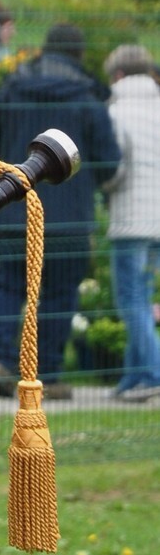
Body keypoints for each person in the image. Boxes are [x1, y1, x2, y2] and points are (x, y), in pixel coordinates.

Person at [0, 21, 120, 398]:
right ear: (79, 54)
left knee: (9, 285)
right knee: (59, 294)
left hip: (13, 210)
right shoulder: (88, 98)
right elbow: (109, 161)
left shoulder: (11, 89)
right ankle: (46, 376)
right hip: (70, 220)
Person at [102, 44, 160, 402]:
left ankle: (153, 373)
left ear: (118, 75)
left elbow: (115, 167)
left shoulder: (116, 112)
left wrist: (104, 187)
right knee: (144, 297)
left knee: (130, 299)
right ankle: (132, 377)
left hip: (130, 220)